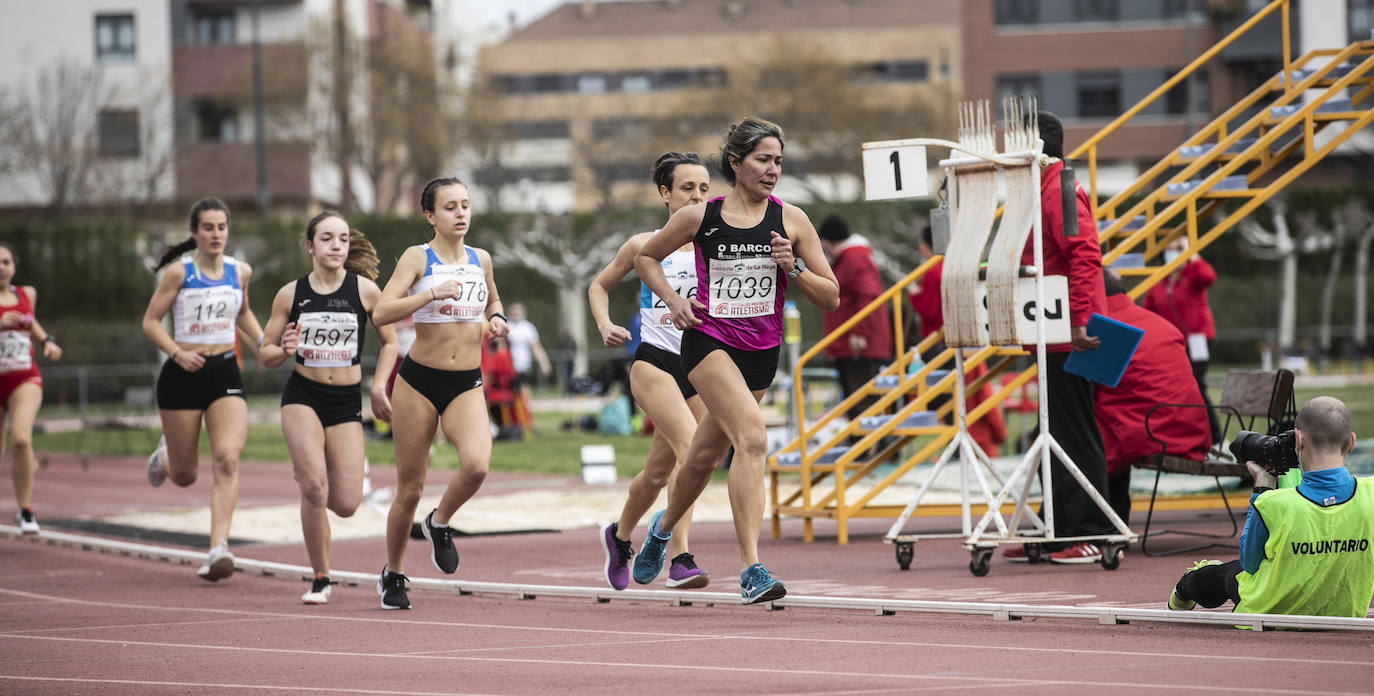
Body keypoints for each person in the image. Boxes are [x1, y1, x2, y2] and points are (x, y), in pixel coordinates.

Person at [634, 118, 839, 604]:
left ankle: (661, 534)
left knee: (704, 457)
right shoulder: (700, 216)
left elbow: (831, 297)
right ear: (736, 163)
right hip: (708, 344)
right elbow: (646, 258)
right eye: (764, 160)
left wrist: (797, 267)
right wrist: (673, 302)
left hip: (761, 356)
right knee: (752, 438)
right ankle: (752, 567)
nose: (773, 170)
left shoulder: (792, 220)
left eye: (779, 161)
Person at [371, 177, 508, 610]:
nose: (461, 213)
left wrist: (497, 317)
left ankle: (440, 521)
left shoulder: (480, 258)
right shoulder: (417, 257)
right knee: (409, 489)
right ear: (430, 215)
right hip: (419, 382)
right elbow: (380, 311)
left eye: (465, 205)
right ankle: (393, 573)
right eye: (450, 207)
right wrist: (430, 293)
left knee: (477, 466)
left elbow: (493, 301)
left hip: (465, 381)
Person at [588, 151, 713, 592]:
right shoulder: (644, 244)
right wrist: (605, 324)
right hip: (653, 362)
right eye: (687, 188)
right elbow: (599, 285)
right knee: (691, 451)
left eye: (704, 188)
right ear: (665, 193)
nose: (698, 196)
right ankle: (678, 555)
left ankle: (620, 536)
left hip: (700, 366)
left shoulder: (715, 244)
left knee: (657, 475)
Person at [258, 214, 397, 605]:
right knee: (315, 489)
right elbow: (264, 353)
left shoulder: (366, 291)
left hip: (346, 401)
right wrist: (281, 351)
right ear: (310, 246)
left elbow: (391, 343)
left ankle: (309, 475)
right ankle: (321, 576)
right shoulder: (291, 294)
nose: (336, 246)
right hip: (303, 395)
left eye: (342, 239)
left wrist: (378, 385)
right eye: (326, 238)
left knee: (347, 504)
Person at [1003, 111, 1112, 565]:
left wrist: (1082, 320)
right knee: (1054, 431)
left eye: (1015, 143)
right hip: (1052, 329)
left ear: (1038, 146)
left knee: (1073, 430)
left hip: (1071, 332)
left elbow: (1086, 254)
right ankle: (1056, 527)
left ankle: (1088, 531)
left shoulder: (1062, 187)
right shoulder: (1040, 190)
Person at [142, 197, 265, 581]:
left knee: (227, 458)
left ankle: (218, 548)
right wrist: (177, 353)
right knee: (184, 475)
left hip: (224, 372)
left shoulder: (239, 271)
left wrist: (265, 344)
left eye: (222, 227)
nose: (216, 234)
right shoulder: (180, 273)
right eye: (208, 228)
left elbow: (242, 312)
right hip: (182, 374)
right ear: (195, 232)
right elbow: (150, 322)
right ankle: (165, 457)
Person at [1167, 396, 1374, 618]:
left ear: (1298, 440)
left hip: (1270, 613)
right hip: (1343, 615)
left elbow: (1250, 564)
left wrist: (1261, 488)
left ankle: (1186, 585)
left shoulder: (1271, 503)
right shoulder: (1370, 493)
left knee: (1232, 573)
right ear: (1352, 442)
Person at [1093, 269, 1210, 523]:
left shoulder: (1104, 327)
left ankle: (1086, 527)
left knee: (1072, 435)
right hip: (1187, 430)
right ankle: (1108, 522)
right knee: (1100, 429)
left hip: (1152, 430)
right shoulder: (1154, 322)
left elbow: (1086, 390)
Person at [0, 243, 63, 533]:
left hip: (24, 377)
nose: (1, 267)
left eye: (5, 261)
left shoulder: (27, 294)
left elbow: (31, 322)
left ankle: (25, 510)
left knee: (21, 440)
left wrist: (47, 342)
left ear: (14, 266)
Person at [1142, 236, 1221, 444]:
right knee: (1175, 389)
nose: (1172, 254)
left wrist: (1192, 253)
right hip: (1174, 343)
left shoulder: (1193, 273)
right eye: (1169, 250)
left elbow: (1209, 277)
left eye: (1177, 250)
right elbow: (1148, 311)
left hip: (1198, 339)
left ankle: (1215, 436)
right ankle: (1187, 435)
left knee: (1197, 386)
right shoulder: (1160, 280)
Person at [816, 213, 891, 422]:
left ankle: (871, 445)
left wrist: (860, 332)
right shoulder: (849, 260)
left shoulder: (854, 259)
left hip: (859, 345)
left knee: (864, 400)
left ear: (828, 241)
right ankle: (865, 443)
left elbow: (868, 296)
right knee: (856, 399)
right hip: (850, 344)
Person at [505, 301, 550, 397]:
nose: (516, 313)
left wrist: (544, 363)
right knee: (509, 392)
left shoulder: (528, 327)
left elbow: (536, 347)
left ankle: (525, 410)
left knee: (523, 389)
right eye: (514, 310)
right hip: (508, 365)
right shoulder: (506, 326)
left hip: (523, 364)